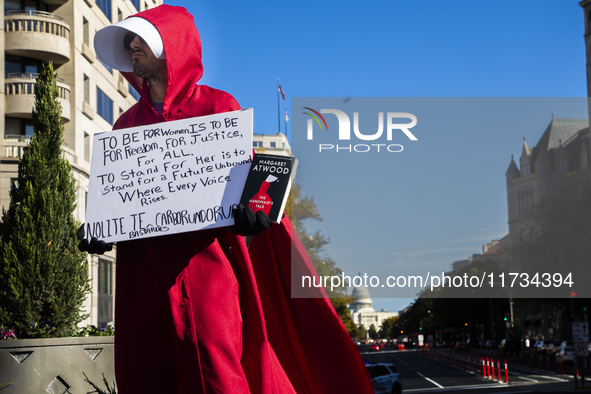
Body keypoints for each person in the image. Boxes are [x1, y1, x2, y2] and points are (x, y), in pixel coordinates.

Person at [91, 5, 373, 393]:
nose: (132, 46)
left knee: (221, 371)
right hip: (149, 272)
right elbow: (118, 194)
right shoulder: (125, 124)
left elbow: (253, 177)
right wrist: (99, 227)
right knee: (154, 370)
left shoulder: (217, 107)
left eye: (140, 38)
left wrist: (256, 214)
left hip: (212, 269)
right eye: (128, 41)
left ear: (171, 46)